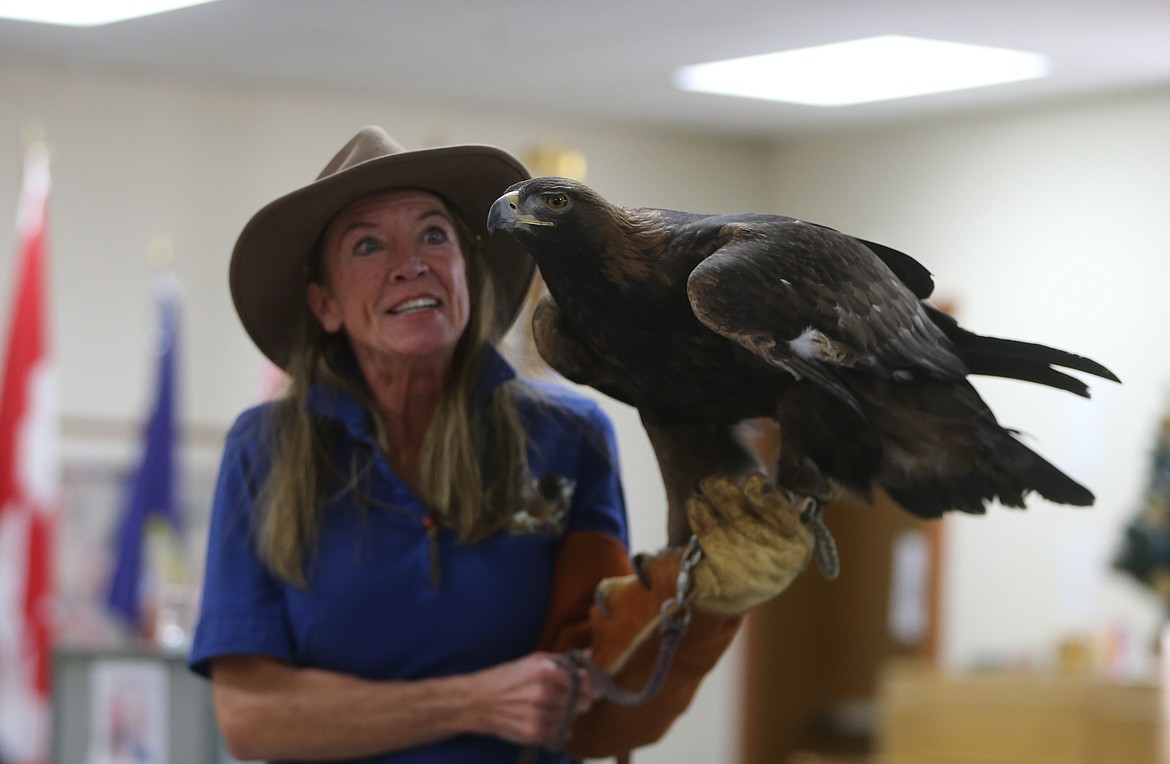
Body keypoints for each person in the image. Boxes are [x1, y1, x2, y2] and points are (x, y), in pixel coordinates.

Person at [187, 125, 813, 763]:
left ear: (468, 268)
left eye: (435, 234)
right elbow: (251, 718)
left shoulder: (565, 436)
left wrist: (706, 597)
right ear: (324, 304)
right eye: (368, 245)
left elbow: (597, 694)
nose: (411, 263)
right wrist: (474, 702)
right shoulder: (266, 448)